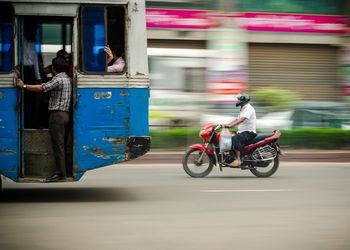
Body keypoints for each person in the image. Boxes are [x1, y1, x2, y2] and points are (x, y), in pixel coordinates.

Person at [17, 57, 72, 182]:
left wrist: (24, 85)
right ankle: (65, 170)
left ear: (53, 68)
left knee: (58, 146)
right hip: (66, 115)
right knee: (62, 144)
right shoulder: (68, 78)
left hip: (57, 116)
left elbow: (42, 88)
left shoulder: (58, 79)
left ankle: (61, 173)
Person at [223, 93, 257, 167]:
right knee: (230, 137)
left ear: (243, 100)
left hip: (249, 133)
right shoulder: (243, 108)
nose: (237, 101)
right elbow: (237, 119)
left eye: (239, 99)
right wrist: (227, 125)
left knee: (235, 138)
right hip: (243, 132)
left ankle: (238, 160)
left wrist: (231, 125)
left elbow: (241, 119)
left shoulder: (248, 108)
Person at [23, 20, 42, 128]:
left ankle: (31, 124)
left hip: (30, 72)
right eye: (34, 29)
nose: (35, 32)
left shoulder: (32, 42)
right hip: (23, 71)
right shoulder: (19, 41)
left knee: (32, 99)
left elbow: (34, 60)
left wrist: (38, 76)